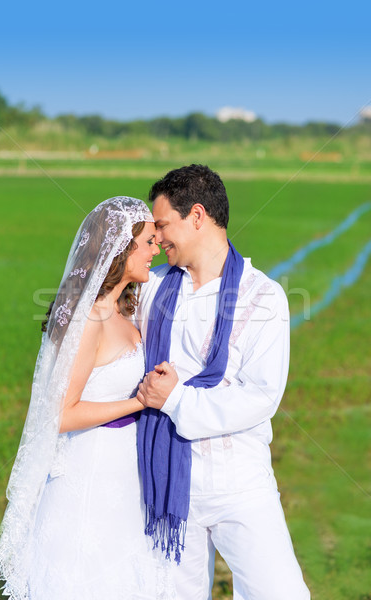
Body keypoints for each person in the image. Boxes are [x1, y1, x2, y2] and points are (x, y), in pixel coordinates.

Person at [136, 165, 311, 600]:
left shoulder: (264, 295)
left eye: (162, 225)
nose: (156, 238)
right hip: (167, 483)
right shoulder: (152, 288)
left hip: (240, 482)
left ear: (197, 216)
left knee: (280, 592)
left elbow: (260, 396)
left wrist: (176, 399)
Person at [0, 197, 175, 600]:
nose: (155, 248)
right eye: (147, 242)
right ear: (120, 250)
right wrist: (139, 402)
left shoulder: (125, 313)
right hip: (91, 470)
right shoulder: (90, 319)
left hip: (126, 472)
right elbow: (62, 413)